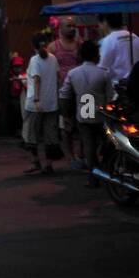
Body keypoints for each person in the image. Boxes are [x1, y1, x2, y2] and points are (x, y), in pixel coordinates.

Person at [59, 39, 110, 186]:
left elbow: (64, 94)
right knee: (108, 142)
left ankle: (93, 177)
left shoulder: (73, 73)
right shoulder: (103, 74)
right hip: (101, 116)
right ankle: (106, 167)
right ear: (96, 56)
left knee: (89, 146)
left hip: (83, 115)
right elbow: (111, 96)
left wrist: (66, 114)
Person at [23, 34, 61, 175]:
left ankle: (35, 162)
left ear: (33, 46)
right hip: (52, 103)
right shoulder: (53, 58)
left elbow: (37, 80)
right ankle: (48, 164)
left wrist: (37, 100)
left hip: (34, 104)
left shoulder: (34, 60)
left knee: (30, 134)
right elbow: (58, 78)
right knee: (50, 135)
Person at [99, 13, 136, 87]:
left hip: (118, 87)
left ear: (105, 22)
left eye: (100, 24)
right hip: (136, 84)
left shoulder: (107, 41)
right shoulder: (135, 37)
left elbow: (102, 68)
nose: (100, 27)